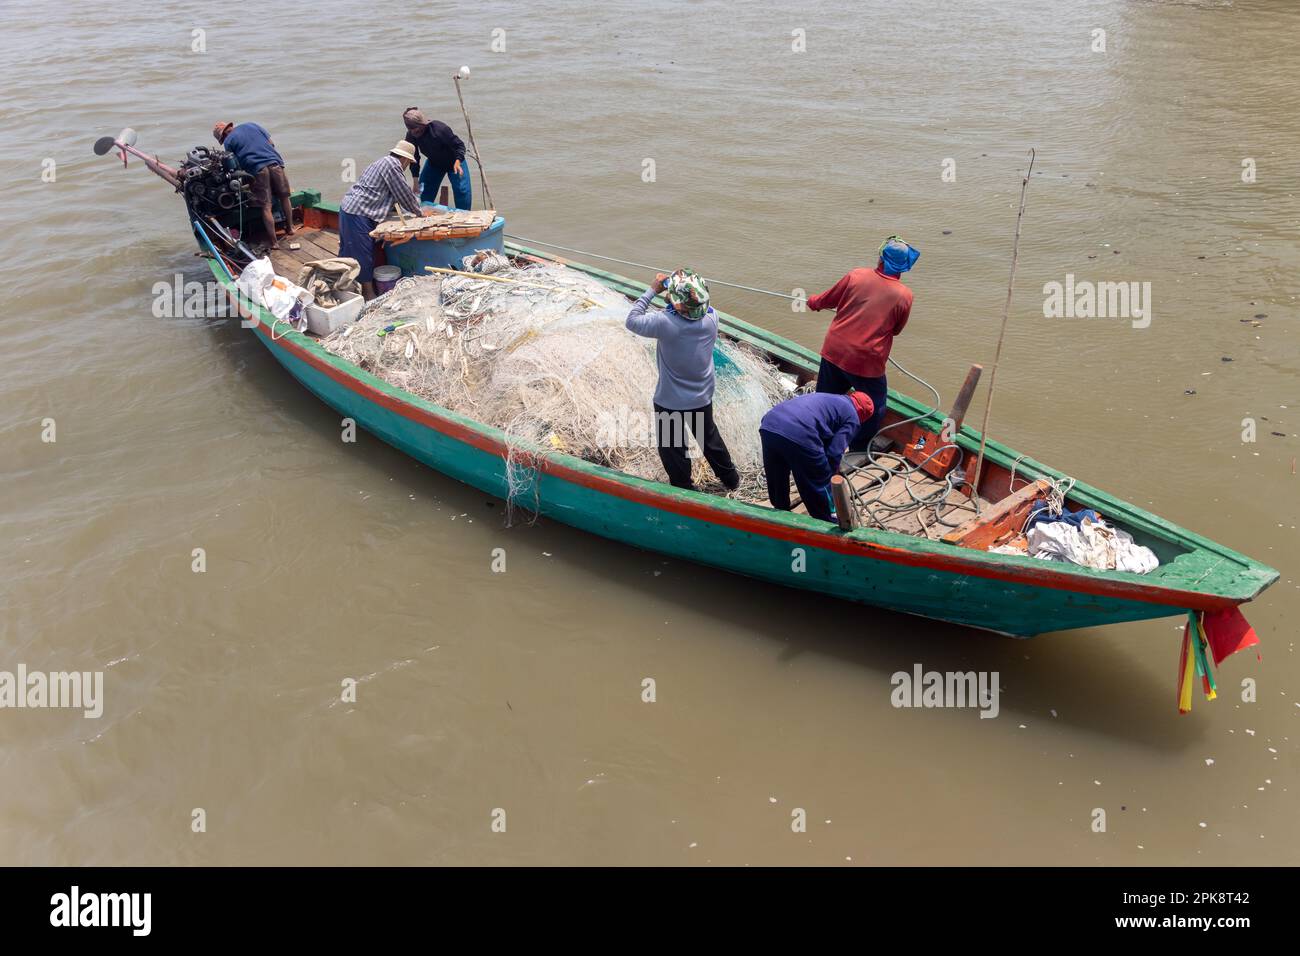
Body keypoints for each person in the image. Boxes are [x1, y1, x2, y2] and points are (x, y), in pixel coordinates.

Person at [625, 270, 740, 492]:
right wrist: (678, 291)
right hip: (702, 395)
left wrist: (653, 289)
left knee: (673, 446)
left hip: (670, 400)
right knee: (709, 439)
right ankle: (731, 479)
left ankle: (684, 488)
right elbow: (687, 306)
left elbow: (632, 320)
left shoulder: (665, 323)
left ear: (677, 304)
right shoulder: (711, 318)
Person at [808, 236, 919, 450]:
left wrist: (813, 302)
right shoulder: (904, 295)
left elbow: (825, 300)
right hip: (867, 362)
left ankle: (819, 439)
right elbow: (896, 330)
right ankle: (858, 448)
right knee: (874, 407)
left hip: (835, 351)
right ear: (904, 268)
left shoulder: (856, 275)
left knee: (824, 399)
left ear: (881, 258)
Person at [760, 390, 875, 523]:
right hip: (800, 433)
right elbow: (834, 452)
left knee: (777, 475)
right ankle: (826, 522)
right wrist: (828, 475)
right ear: (864, 416)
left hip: (769, 424)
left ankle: (780, 512)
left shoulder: (833, 398)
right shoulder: (853, 417)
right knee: (819, 482)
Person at [339, 141, 430, 300]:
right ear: (405, 160)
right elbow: (404, 194)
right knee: (362, 253)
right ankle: (368, 293)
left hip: (350, 208)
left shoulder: (383, 162)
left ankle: (346, 287)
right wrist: (420, 212)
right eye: (408, 163)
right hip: (358, 212)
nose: (407, 167)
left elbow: (389, 195)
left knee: (349, 250)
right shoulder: (394, 166)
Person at [212, 121, 294, 250]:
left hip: (257, 169)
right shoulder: (252, 125)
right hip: (275, 163)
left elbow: (234, 164)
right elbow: (271, 143)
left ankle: (274, 243)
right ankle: (290, 229)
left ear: (223, 137)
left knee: (266, 206)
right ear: (231, 127)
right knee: (285, 197)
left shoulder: (228, 142)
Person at [402, 108, 472, 210]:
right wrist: (415, 181)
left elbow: (459, 146)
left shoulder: (440, 129)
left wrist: (458, 161)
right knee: (422, 193)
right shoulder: (411, 136)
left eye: (417, 129)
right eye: (411, 130)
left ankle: (464, 216)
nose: (415, 132)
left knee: (462, 191)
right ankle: (423, 216)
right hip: (434, 164)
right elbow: (414, 158)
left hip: (455, 162)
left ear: (423, 124)